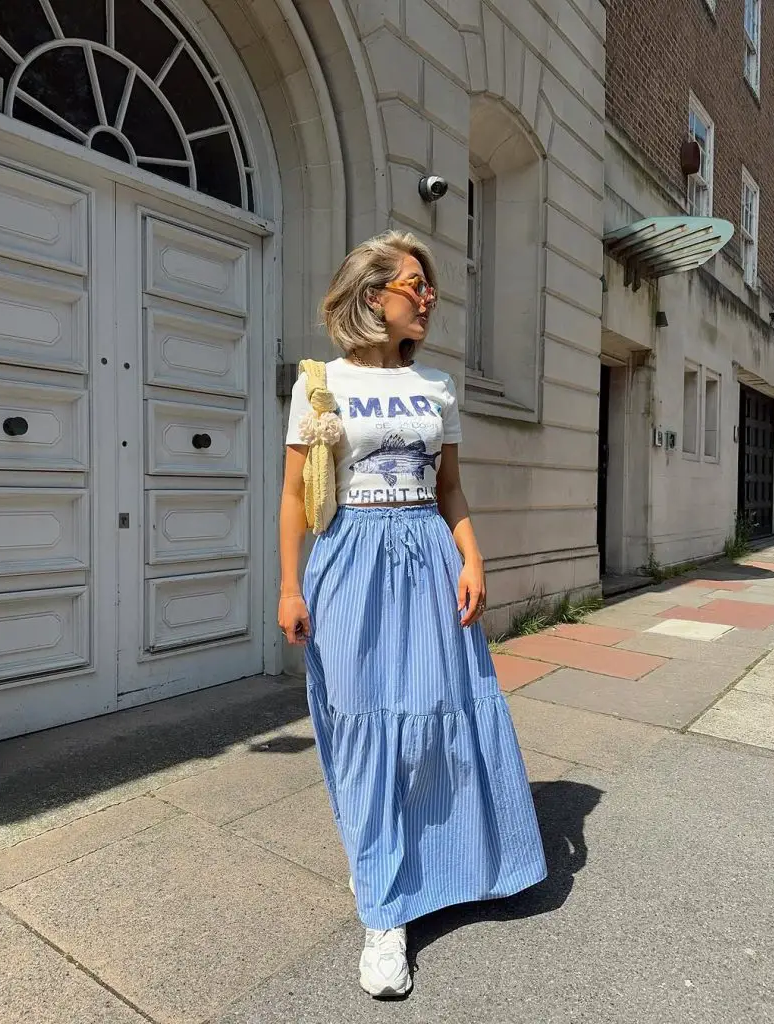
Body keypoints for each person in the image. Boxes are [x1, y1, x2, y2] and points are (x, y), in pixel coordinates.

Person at [279, 231, 547, 998]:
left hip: (428, 556)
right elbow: (295, 497)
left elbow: (449, 488)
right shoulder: (319, 383)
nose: (427, 297)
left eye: (429, 288)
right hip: (349, 559)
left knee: (439, 712)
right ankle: (384, 910)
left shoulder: (435, 385)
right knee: (364, 723)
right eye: (413, 286)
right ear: (371, 296)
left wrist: (472, 556)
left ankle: (452, 869)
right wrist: (289, 588)